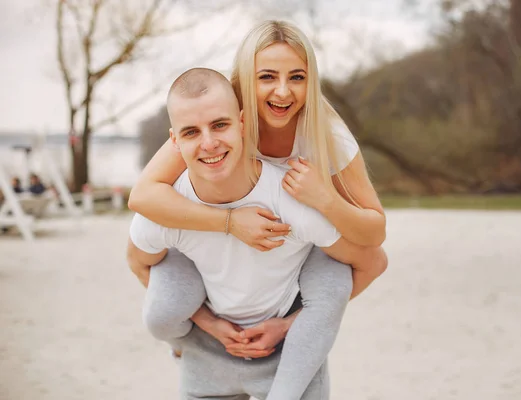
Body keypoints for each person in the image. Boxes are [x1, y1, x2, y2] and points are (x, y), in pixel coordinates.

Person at [128, 20, 387, 398]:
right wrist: (230, 222)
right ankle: (185, 347)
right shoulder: (215, 115)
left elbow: (374, 236)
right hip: (231, 235)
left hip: (303, 232)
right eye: (267, 76)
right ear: (245, 81)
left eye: (296, 77)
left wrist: (326, 198)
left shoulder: (326, 134)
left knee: (331, 280)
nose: (282, 91)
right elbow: (143, 196)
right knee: (166, 300)